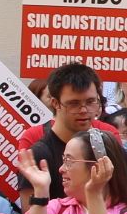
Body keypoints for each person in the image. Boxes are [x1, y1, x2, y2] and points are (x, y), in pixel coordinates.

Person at [22, 129, 127, 214]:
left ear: (98, 166)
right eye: (63, 160)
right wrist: (41, 190)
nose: (61, 169)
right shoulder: (58, 208)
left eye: (69, 161)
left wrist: (94, 193)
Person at [24, 62, 108, 205]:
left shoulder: (108, 147)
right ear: (55, 103)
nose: (84, 110)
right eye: (74, 103)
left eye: (91, 101)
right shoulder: (39, 154)